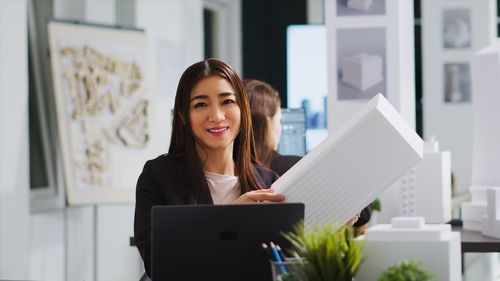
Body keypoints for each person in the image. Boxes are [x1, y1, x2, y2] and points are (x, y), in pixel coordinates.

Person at [134, 59, 285, 277]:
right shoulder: (158, 177)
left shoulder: (269, 182)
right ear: (183, 117)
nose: (216, 116)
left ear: (242, 109)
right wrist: (230, 219)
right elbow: (158, 265)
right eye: (201, 104)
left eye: (227, 102)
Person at [244, 79, 372, 228]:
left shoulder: (227, 173)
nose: (280, 128)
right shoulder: (291, 167)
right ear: (266, 121)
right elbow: (364, 212)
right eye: (279, 120)